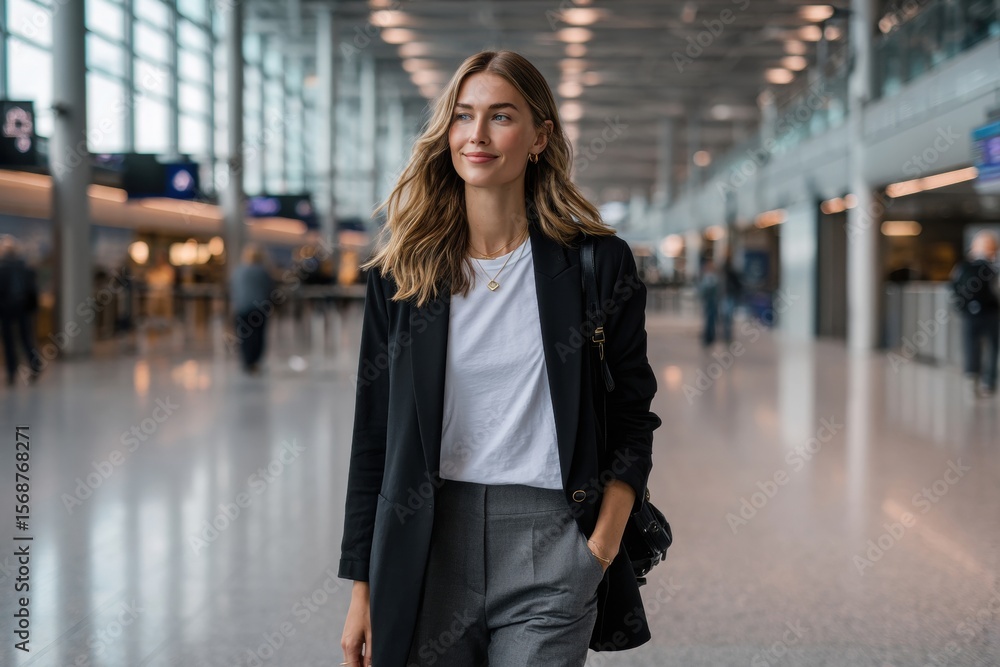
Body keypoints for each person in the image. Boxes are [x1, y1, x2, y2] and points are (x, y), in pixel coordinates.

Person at [338, 50, 661, 667]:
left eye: (501, 116)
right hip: (426, 544)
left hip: (551, 545)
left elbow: (632, 414)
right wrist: (364, 586)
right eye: (463, 116)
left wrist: (597, 549)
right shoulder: (402, 277)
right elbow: (374, 438)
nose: (477, 135)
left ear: (540, 136)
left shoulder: (598, 265)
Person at [950, 230, 999, 397]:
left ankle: (982, 379)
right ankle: (979, 378)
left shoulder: (987, 268)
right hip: (979, 313)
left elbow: (954, 286)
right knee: (980, 346)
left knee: (983, 346)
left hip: (987, 313)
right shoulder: (970, 267)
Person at [0, 235, 42, 385]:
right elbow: (33, 289)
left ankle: (12, 373)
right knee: (26, 338)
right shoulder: (25, 267)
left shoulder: (2, 268)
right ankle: (35, 364)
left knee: (9, 341)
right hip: (23, 308)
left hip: (5, 310)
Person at [228, 244, 274, 374]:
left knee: (244, 335)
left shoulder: (238, 271)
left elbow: (233, 289)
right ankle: (254, 361)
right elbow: (269, 289)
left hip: (241, 307)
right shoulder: (263, 271)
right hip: (258, 308)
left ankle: (247, 360)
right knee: (257, 335)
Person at [698, 257, 720, 346]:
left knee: (710, 319)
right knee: (709, 319)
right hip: (710, 301)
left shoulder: (711, 277)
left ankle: (710, 336)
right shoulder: (710, 277)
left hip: (711, 301)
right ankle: (709, 335)